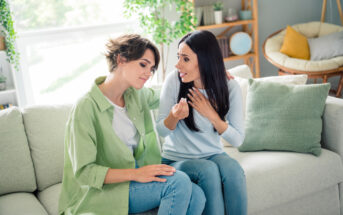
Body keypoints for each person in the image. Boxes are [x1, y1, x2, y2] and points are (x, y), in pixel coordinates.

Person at [58, 34, 206, 215]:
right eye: (143, 64)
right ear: (121, 59)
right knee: (178, 183)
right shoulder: (86, 107)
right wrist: (136, 174)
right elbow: (84, 172)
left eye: (152, 69)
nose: (148, 73)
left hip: (134, 180)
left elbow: (169, 92)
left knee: (197, 195)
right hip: (102, 191)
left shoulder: (136, 95)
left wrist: (208, 74)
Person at [156, 30, 247, 215]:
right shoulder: (174, 80)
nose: (178, 64)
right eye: (178, 57)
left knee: (234, 170)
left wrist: (212, 115)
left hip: (213, 154)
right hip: (176, 158)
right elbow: (161, 131)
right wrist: (174, 116)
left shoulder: (229, 86)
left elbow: (237, 140)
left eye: (185, 59)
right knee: (207, 171)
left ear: (205, 61)